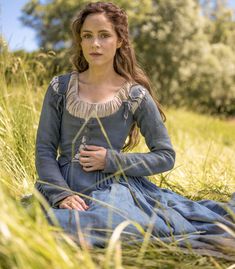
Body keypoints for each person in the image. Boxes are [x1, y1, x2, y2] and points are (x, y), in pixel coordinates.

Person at [34, 1, 235, 256]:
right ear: (80, 41)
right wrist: (60, 194)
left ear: (119, 41)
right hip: (61, 183)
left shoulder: (134, 96)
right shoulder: (59, 88)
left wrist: (112, 159)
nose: (95, 44)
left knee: (119, 225)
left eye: (104, 35)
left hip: (111, 189)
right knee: (36, 220)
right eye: (87, 36)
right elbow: (44, 149)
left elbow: (165, 156)